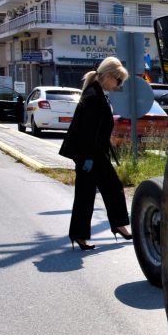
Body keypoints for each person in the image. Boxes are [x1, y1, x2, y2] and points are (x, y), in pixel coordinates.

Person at [58, 56, 132, 251]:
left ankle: (114, 226)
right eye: (118, 81)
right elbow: (86, 131)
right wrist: (87, 158)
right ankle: (83, 235)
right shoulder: (93, 96)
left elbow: (98, 129)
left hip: (95, 154)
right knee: (88, 194)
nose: (119, 85)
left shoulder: (98, 93)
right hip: (89, 155)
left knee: (108, 189)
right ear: (108, 76)